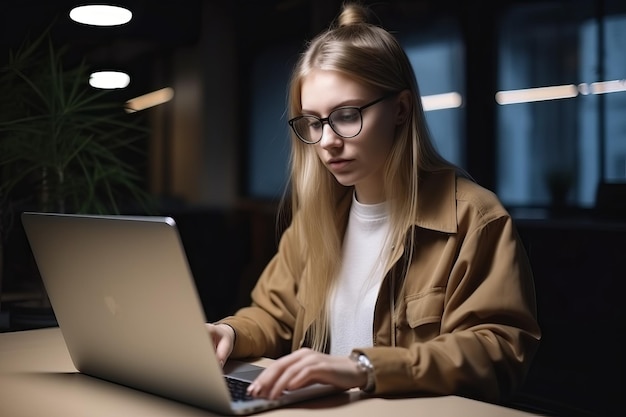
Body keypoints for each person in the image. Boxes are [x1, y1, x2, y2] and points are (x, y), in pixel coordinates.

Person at [206, 1, 541, 405]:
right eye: (314, 122)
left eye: (346, 115)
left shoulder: (474, 219)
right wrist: (230, 332)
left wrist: (365, 369)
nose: (327, 141)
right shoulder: (318, 218)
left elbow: (498, 350)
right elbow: (274, 315)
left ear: (401, 109)